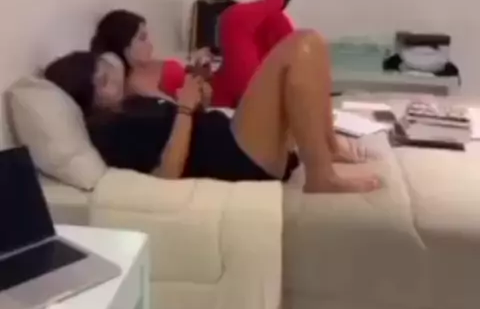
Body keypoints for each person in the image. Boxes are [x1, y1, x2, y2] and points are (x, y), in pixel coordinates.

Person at [44, 29, 382, 194]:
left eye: (107, 73)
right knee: (301, 46)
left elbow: (182, 128)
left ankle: (328, 149)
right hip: (236, 156)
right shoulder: (109, 132)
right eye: (102, 82)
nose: (113, 80)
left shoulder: (127, 104)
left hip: (230, 137)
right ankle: (321, 178)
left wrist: (197, 99)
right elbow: (167, 174)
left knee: (313, 48)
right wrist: (185, 109)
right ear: (86, 99)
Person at [90, 0, 300, 109]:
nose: (150, 43)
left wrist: (197, 71)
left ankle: (297, 82)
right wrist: (198, 89)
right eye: (142, 38)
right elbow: (179, 110)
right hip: (223, 98)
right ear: (125, 47)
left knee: (271, 20)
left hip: (219, 82)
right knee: (232, 20)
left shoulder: (146, 65)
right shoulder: (136, 86)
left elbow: (183, 80)